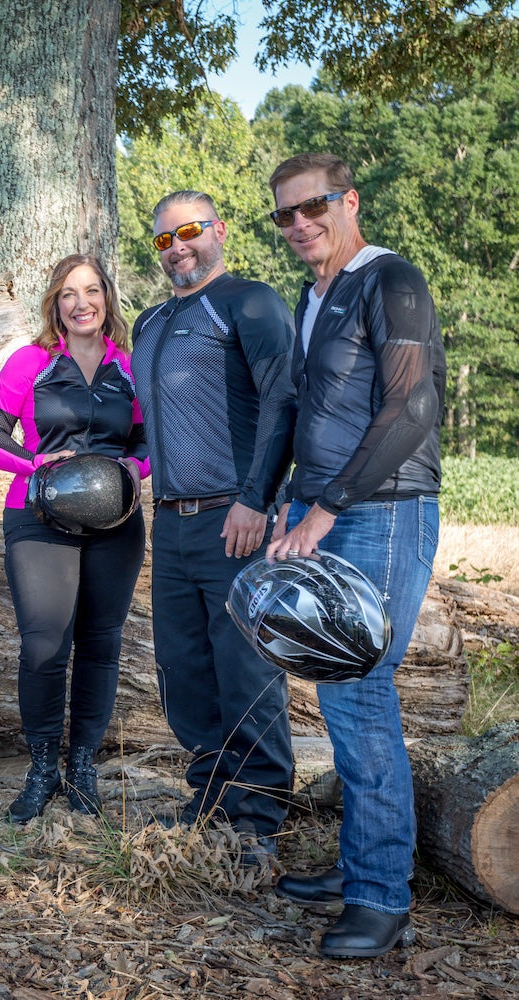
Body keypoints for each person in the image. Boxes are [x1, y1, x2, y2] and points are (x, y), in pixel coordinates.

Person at [263, 153, 443, 959]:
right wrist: (284, 505)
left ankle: (381, 899)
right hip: (321, 510)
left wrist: (327, 509)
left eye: (314, 207)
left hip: (384, 512)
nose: (301, 224)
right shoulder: (314, 296)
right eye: (286, 216)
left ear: (350, 200)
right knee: (338, 698)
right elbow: (308, 410)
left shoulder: (389, 278)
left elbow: (412, 407)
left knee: (363, 696)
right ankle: (357, 864)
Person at [131, 191, 296, 856]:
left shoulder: (248, 302)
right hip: (168, 522)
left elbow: (284, 399)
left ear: (218, 231)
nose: (178, 247)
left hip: (236, 515)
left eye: (189, 231)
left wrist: (257, 499)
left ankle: (257, 815)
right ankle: (211, 793)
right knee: (183, 664)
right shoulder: (147, 323)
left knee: (246, 663)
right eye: (164, 239)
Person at [0, 255, 149, 824]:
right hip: (39, 518)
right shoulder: (30, 362)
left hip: (116, 524)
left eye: (92, 291)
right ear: (55, 302)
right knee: (44, 645)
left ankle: (82, 765)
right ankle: (42, 765)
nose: (81, 303)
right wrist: (36, 461)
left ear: (107, 299)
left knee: (101, 642)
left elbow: (151, 446)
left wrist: (133, 471)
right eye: (69, 294)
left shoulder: (131, 367)